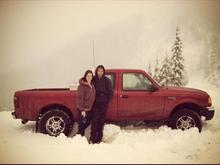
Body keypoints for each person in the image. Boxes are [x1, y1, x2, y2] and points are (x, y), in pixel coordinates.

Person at [90, 65, 113, 144]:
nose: (100, 72)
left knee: (101, 121)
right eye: (98, 71)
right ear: (96, 71)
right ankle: (93, 138)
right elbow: (87, 83)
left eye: (101, 71)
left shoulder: (107, 80)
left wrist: (106, 101)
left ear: (103, 72)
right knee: (94, 121)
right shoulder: (93, 79)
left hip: (103, 104)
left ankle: (99, 138)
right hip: (95, 104)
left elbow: (110, 93)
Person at [76, 70, 96, 136]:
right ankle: (78, 138)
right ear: (85, 76)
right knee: (82, 125)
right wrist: (82, 110)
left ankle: (79, 137)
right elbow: (79, 98)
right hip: (84, 110)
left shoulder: (92, 85)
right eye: (88, 76)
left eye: (91, 76)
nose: (89, 77)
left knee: (87, 123)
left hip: (89, 109)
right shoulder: (82, 86)